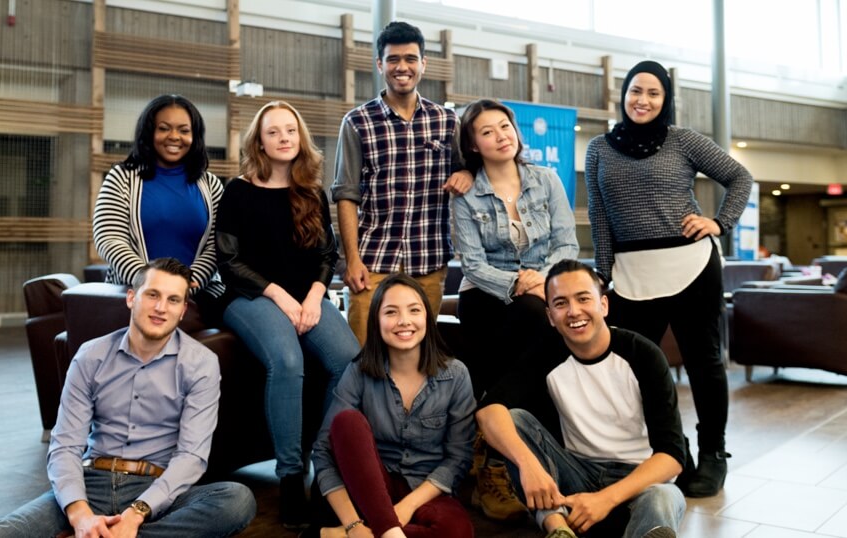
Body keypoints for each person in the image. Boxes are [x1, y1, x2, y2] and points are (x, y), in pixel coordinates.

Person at [0, 258, 255, 538]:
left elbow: (191, 457)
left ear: (182, 310)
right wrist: (80, 513)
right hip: (90, 482)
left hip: (157, 489)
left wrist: (136, 514)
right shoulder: (91, 355)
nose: (160, 308)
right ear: (132, 298)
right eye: (152, 295)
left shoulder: (200, 363)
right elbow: (65, 445)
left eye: (173, 300)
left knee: (237, 500)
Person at [585, 60, 752, 498]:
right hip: (632, 273)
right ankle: (675, 453)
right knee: (636, 370)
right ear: (623, 95)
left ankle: (713, 454)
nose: (643, 100)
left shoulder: (683, 140)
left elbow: (740, 177)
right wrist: (602, 275)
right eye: (636, 91)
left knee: (704, 363)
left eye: (653, 93)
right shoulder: (599, 148)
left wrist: (720, 222)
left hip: (691, 266)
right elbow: (600, 218)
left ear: (666, 99)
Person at [216, 100, 362, 528]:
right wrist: (280, 295)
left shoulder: (311, 190)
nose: (283, 138)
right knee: (288, 361)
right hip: (250, 297)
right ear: (258, 141)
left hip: (306, 296)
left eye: (290, 131)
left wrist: (317, 295)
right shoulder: (239, 190)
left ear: (301, 139)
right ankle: (290, 475)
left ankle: (324, 467)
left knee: (349, 363)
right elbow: (229, 261)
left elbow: (326, 254)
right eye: (273, 132)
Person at [476, 260, 685, 538]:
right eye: (561, 303)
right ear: (550, 316)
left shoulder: (642, 354)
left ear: (604, 305)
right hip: (576, 479)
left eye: (583, 298)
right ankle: (558, 530)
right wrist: (529, 467)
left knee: (663, 498)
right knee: (514, 422)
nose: (574, 312)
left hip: (637, 483)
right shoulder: (548, 353)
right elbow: (488, 411)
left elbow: (672, 456)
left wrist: (605, 499)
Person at [333, 21, 471, 345]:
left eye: (410, 58)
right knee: (364, 354)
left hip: (429, 260)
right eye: (393, 59)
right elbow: (346, 194)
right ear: (380, 64)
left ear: (424, 64)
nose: (402, 67)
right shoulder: (357, 122)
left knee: (420, 354)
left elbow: (468, 171)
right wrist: (351, 259)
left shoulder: (447, 121)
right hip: (372, 262)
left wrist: (465, 173)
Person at [309, 274, 477, 538]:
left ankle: (334, 535)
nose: (404, 321)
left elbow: (458, 459)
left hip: (425, 488)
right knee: (347, 422)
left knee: (457, 531)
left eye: (414, 310)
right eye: (391, 312)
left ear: (426, 317)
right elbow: (322, 451)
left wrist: (403, 509)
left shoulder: (456, 375)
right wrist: (354, 525)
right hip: (369, 486)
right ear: (376, 321)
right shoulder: (358, 371)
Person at [449, 98, 580, 396]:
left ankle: (502, 406)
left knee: (544, 312)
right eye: (487, 132)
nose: (500, 136)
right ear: (473, 145)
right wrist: (518, 282)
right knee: (538, 314)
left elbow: (567, 245)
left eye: (505, 126)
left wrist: (543, 279)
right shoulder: (466, 194)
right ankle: (506, 408)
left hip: (539, 286)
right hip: (484, 291)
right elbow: (473, 265)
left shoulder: (547, 180)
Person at [94, 94, 228, 318]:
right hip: (135, 293)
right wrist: (151, 282)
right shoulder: (121, 177)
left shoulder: (211, 185)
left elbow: (219, 244)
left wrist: (187, 284)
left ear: (195, 136)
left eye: (184, 130)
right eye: (164, 128)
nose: (174, 137)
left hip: (197, 294)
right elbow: (109, 238)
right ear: (149, 132)